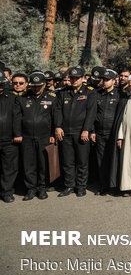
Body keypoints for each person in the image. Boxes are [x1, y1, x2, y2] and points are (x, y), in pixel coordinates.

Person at [53, 67, 96, 198]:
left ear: (83, 78)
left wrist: (86, 130)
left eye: (77, 78)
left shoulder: (90, 93)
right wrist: (58, 126)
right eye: (71, 78)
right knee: (68, 161)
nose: (74, 80)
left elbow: (91, 113)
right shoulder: (63, 92)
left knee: (82, 161)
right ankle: (69, 185)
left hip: (81, 132)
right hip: (65, 132)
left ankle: (81, 186)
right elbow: (58, 110)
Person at [14, 72, 57, 200]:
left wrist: (52, 134)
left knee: (43, 164)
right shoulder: (22, 98)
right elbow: (17, 118)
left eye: (39, 86)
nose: (36, 89)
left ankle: (42, 188)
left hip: (44, 136)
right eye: (34, 86)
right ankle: (31, 189)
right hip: (27, 137)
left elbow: (55, 117)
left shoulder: (51, 97)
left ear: (44, 84)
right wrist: (18, 134)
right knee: (29, 164)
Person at [91, 69, 120, 195]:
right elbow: (92, 114)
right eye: (103, 79)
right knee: (101, 160)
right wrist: (92, 131)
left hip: (113, 133)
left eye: (107, 80)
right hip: (99, 133)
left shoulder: (120, 95)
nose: (104, 82)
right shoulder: (97, 94)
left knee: (113, 159)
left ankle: (114, 185)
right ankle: (103, 185)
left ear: (114, 81)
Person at [0, 72, 20, 203]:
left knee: (9, 167)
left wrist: (17, 134)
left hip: (8, 139)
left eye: (1, 83)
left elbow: (17, 117)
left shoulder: (12, 97)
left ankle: (7, 192)